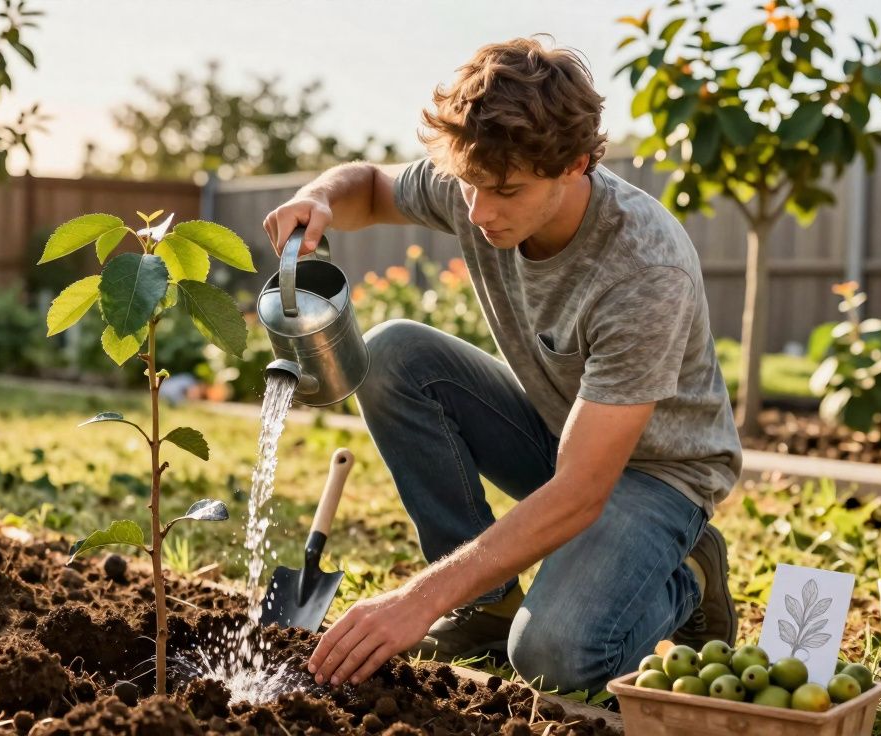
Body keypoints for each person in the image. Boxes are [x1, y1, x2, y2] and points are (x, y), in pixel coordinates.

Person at [262, 37, 742, 694]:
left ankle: (685, 576)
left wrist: (415, 601)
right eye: (468, 185)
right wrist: (319, 196)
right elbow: (371, 187)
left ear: (574, 164)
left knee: (553, 656)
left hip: (658, 474)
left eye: (507, 191)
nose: (480, 213)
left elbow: (581, 491)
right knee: (395, 354)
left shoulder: (643, 270)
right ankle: (484, 605)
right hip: (563, 429)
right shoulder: (482, 175)